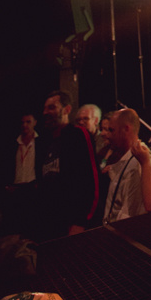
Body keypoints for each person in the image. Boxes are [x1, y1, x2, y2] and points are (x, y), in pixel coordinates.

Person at [35, 90, 100, 239]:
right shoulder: (43, 142)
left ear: (67, 110)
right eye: (44, 108)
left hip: (72, 224)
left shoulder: (77, 135)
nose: (45, 112)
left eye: (51, 107)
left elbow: (91, 181)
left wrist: (81, 221)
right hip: (49, 224)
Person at [103, 108, 147, 223]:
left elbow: (130, 214)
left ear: (126, 129)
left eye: (111, 130)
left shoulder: (137, 162)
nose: (107, 136)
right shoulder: (123, 158)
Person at [14, 113, 38, 184]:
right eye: (22, 122)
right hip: (16, 186)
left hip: (34, 186)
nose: (24, 125)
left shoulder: (41, 143)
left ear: (35, 123)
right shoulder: (15, 144)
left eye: (28, 122)